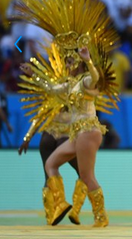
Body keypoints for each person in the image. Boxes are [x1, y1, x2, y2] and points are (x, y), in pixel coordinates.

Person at [14, 0, 119, 228]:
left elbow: (95, 78)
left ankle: (101, 217)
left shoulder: (86, 81)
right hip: (77, 133)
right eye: (67, 59)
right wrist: (33, 76)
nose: (68, 63)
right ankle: (60, 204)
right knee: (51, 164)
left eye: (71, 59)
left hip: (88, 131)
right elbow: (51, 89)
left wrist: (88, 60)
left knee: (86, 176)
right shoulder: (70, 83)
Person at [17, 45, 86, 226]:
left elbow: (41, 111)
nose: (69, 66)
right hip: (66, 136)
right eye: (68, 63)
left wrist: (27, 138)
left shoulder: (60, 88)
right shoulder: (79, 85)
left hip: (47, 135)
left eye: (70, 62)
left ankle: (51, 215)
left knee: (48, 173)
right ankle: (74, 211)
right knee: (83, 173)